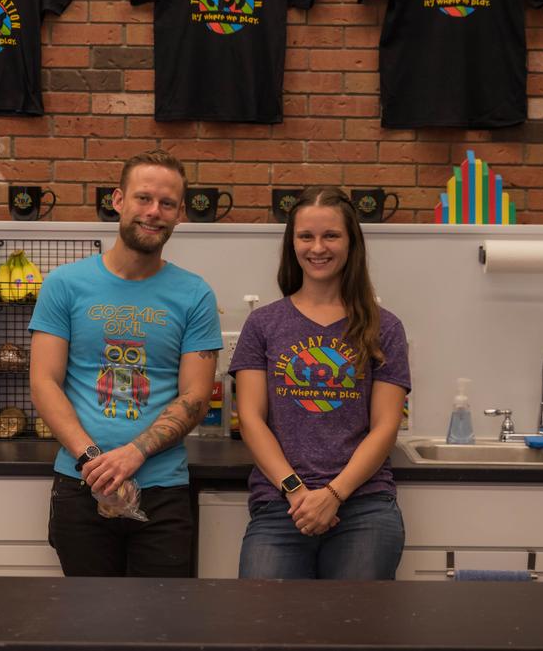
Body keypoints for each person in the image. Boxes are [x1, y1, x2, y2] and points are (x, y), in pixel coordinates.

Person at [29, 149, 222, 577]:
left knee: (159, 631)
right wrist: (94, 460)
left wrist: (134, 454)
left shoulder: (195, 295)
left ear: (180, 214)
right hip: (81, 483)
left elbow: (195, 395)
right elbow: (44, 382)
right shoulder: (65, 284)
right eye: (143, 198)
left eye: (167, 204)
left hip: (163, 491)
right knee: (88, 626)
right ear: (119, 200)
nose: (154, 212)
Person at [229, 185, 411, 580]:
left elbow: (385, 427)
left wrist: (333, 494)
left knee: (351, 634)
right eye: (305, 236)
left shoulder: (385, 327)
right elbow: (250, 418)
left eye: (330, 235)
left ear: (351, 243)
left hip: (364, 505)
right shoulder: (263, 324)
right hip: (281, 503)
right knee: (263, 630)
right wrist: (296, 491)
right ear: (291, 242)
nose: (317, 247)